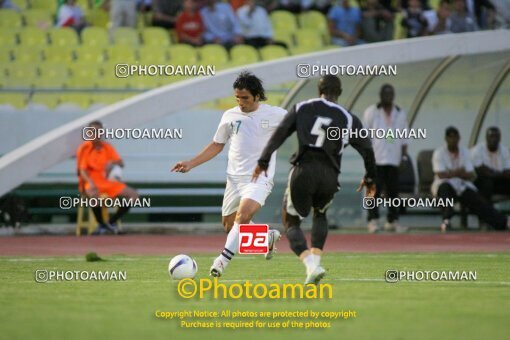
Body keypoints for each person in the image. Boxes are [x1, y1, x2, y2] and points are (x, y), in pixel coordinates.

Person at [253, 75, 377, 285]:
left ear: (319, 89)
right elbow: (367, 149)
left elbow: (280, 133)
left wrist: (263, 161)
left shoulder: (302, 107)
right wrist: (370, 178)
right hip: (330, 176)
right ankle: (316, 261)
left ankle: (311, 265)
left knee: (291, 222)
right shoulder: (348, 118)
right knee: (321, 213)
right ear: (339, 92)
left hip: (305, 169)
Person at [171, 72, 287, 277]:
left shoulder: (276, 114)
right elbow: (217, 144)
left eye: (245, 98)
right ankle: (266, 238)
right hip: (234, 180)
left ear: (257, 96)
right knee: (229, 225)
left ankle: (221, 261)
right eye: (238, 98)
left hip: (259, 178)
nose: (241, 102)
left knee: (242, 217)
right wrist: (191, 163)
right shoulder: (230, 116)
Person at [431, 126, 509, 232]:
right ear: (446, 139)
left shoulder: (465, 152)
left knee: (478, 201)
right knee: (445, 190)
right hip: (444, 183)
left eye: (455, 137)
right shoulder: (439, 153)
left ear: (459, 138)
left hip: (462, 185)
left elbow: (470, 174)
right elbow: (440, 174)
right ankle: (446, 220)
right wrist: (459, 172)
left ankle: (502, 222)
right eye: (450, 137)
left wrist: (451, 173)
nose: (453, 140)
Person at [77, 121, 139, 235]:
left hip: (107, 181)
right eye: (93, 131)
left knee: (133, 195)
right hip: (91, 181)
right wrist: (91, 182)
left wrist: (112, 163)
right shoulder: (85, 148)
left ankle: (111, 223)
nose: (96, 134)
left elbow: (121, 163)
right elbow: (82, 170)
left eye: (99, 131)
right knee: (94, 194)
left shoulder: (107, 147)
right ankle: (101, 224)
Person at [363, 84, 409, 233]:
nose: (388, 96)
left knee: (393, 192)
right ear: (380, 95)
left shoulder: (400, 113)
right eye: (385, 94)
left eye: (391, 94)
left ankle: (392, 220)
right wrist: (367, 157)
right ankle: (372, 220)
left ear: (394, 96)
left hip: (393, 158)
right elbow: (365, 136)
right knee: (373, 191)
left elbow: (404, 138)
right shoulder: (372, 112)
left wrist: (403, 157)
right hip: (376, 158)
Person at [471, 127, 510, 203]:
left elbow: (508, 172)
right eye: (491, 136)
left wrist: (493, 173)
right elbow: (482, 171)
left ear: (499, 138)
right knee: (487, 183)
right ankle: (487, 211)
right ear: (486, 138)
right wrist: (499, 173)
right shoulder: (477, 150)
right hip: (481, 181)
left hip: (498, 181)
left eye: (496, 137)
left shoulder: (504, 150)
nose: (494, 139)